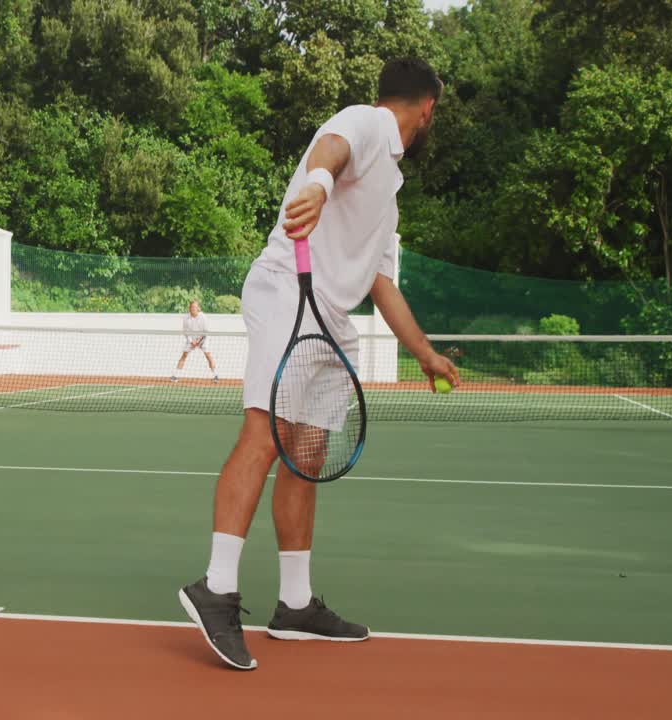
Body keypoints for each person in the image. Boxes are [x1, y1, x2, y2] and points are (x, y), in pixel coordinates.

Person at [177, 58, 461, 671]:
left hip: (333, 318)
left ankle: (296, 605)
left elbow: (382, 282)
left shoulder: (389, 184)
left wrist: (425, 355)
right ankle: (215, 587)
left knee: (305, 455)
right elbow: (329, 151)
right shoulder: (365, 123)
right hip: (287, 291)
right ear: (427, 108)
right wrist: (317, 187)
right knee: (263, 432)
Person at [172, 300, 219, 383]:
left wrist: (198, 341)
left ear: (198, 308)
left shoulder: (203, 317)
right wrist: (191, 342)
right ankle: (175, 376)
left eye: (195, 307)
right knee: (184, 355)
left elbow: (205, 331)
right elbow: (185, 331)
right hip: (191, 339)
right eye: (191, 307)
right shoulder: (186, 318)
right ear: (189, 308)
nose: (193, 308)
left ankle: (215, 375)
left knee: (208, 355)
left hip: (203, 338)